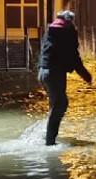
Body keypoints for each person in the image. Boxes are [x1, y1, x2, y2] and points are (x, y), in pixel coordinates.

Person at [37, 10, 92, 146]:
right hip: (55, 74)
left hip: (43, 73)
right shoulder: (66, 32)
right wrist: (86, 75)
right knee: (61, 104)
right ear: (70, 21)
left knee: (55, 105)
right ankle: (49, 142)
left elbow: (47, 52)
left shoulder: (51, 30)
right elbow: (73, 57)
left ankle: (46, 135)